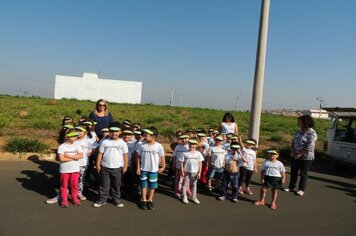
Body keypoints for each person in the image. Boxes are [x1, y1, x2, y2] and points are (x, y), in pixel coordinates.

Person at [93, 122, 128, 208]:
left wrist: (125, 166)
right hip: (105, 167)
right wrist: (98, 165)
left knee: (116, 185)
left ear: (120, 132)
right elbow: (100, 154)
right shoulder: (105, 142)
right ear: (109, 131)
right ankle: (102, 200)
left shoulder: (122, 143)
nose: (114, 133)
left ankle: (116, 200)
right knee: (104, 185)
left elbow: (125, 155)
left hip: (117, 168)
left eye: (116, 131)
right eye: (112, 131)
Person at [284, 115, 317, 196]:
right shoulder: (298, 131)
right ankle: (291, 187)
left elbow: (310, 146)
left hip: (306, 157)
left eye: (300, 121)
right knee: (293, 172)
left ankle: (301, 189)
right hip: (295, 155)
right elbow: (293, 142)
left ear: (305, 122)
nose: (298, 123)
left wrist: (299, 154)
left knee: (303, 173)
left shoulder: (312, 133)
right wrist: (293, 152)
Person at [136, 127, 165, 210]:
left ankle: (150, 200)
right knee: (143, 185)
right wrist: (138, 167)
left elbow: (162, 157)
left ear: (153, 137)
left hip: (153, 170)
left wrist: (163, 167)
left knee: (152, 186)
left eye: (146, 135)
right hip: (143, 169)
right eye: (144, 135)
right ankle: (143, 200)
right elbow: (138, 156)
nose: (144, 137)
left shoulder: (158, 146)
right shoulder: (142, 145)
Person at [57, 129, 84, 208]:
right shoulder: (62, 146)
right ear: (67, 137)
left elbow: (81, 155)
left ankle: (74, 198)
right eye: (72, 136)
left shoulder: (77, 145)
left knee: (74, 185)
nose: (75, 138)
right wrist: (75, 158)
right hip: (64, 170)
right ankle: (64, 199)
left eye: (75, 136)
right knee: (64, 185)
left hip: (75, 169)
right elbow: (61, 159)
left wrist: (68, 156)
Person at [180, 138, 203, 204]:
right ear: (188, 144)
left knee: (194, 185)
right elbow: (182, 162)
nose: (192, 146)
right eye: (190, 144)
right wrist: (182, 171)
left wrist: (199, 172)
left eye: (193, 144)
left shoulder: (198, 153)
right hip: (186, 171)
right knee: (184, 184)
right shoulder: (184, 153)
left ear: (196, 145)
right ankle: (184, 197)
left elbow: (200, 163)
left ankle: (194, 197)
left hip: (195, 172)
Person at [172, 133, 190, 198]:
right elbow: (174, 156)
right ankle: (177, 191)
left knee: (187, 179)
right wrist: (173, 163)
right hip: (178, 166)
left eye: (185, 138)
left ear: (188, 139)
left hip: (187, 167)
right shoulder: (177, 147)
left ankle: (187, 189)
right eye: (182, 139)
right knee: (178, 179)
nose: (184, 140)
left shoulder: (190, 147)